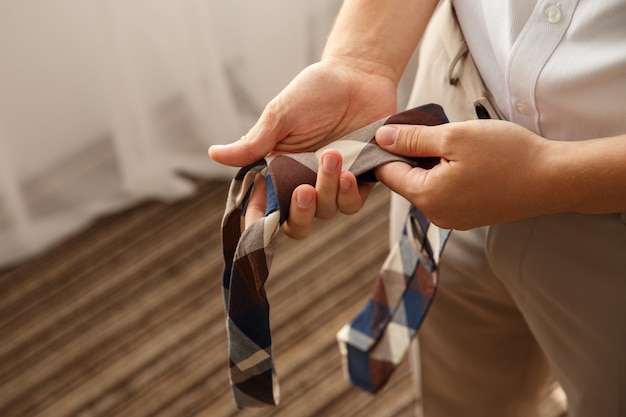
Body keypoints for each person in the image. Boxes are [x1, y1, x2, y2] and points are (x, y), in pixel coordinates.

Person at [210, 0, 626, 416]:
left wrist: (549, 174)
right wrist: (361, 59)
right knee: (457, 390)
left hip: (611, 223)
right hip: (446, 116)